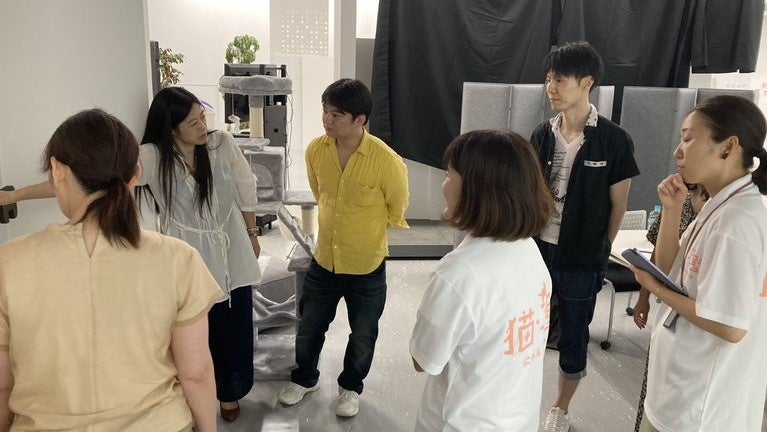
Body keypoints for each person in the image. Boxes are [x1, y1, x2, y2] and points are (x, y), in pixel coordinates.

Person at [0, 109, 221, 432]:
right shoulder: (178, 258)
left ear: (57, 171)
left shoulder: (9, 261)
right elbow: (196, 373)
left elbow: (3, 384)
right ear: (136, 174)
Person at [632, 95, 767, 432]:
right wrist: (672, 209)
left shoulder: (736, 221)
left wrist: (655, 288)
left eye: (689, 138)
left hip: (700, 409)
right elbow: (672, 273)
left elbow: (729, 325)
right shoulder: (719, 206)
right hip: (680, 389)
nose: (678, 152)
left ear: (728, 147)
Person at [277, 78, 409, 417]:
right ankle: (305, 379)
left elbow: (397, 208)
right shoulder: (315, 151)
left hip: (366, 265)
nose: (327, 119)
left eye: (336, 114)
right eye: (325, 111)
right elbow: (319, 192)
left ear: (360, 119)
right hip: (324, 261)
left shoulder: (387, 161)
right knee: (309, 328)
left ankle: (351, 387)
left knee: (363, 334)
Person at [409, 130, 553, 431]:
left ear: (477, 190)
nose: (444, 186)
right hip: (518, 420)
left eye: (449, 176)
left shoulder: (459, 274)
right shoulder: (528, 250)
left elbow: (424, 360)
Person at [529, 41, 640, 432]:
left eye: (560, 79)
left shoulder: (614, 140)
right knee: (528, 324)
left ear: (587, 82)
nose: (551, 87)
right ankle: (521, 390)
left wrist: (599, 251)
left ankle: (560, 407)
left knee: (574, 334)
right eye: (548, 78)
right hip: (537, 249)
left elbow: (618, 206)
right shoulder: (542, 134)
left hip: (581, 257)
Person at [137, 86, 261, 422]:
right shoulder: (153, 157)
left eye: (203, 117)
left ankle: (229, 392)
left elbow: (245, 184)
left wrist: (252, 232)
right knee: (193, 333)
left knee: (233, 327)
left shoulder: (221, 144)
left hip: (230, 246)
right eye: (193, 122)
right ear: (171, 128)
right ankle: (194, 401)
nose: (203, 126)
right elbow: (104, 178)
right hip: (185, 255)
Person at [631, 183, 708, 432]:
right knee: (653, 396)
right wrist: (645, 296)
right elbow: (660, 261)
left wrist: (655, 289)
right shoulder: (680, 195)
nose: (679, 162)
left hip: (698, 338)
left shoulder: (726, 211)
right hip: (668, 320)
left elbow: (726, 324)